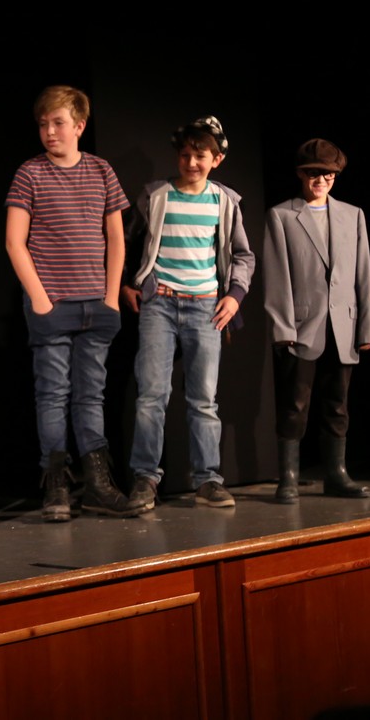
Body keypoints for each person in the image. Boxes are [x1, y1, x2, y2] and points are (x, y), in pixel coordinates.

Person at [4, 85, 138, 522]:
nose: (49, 131)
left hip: (96, 304)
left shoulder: (101, 170)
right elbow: (14, 242)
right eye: (43, 124)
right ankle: (57, 485)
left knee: (91, 396)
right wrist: (41, 300)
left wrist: (111, 296)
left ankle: (97, 484)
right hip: (53, 306)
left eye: (58, 123)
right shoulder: (30, 173)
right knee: (52, 395)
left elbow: (115, 238)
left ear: (79, 126)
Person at [121, 116, 255, 511]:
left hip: (205, 308)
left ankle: (207, 479)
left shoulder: (224, 201)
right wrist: (127, 283)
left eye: (200, 156)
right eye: (185, 155)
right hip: (159, 304)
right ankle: (146, 478)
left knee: (203, 399)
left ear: (216, 159)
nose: (192, 163)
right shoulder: (156, 195)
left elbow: (243, 255)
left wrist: (235, 295)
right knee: (151, 396)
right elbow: (126, 241)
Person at [262, 138, 370, 503]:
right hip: (301, 326)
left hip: (343, 325)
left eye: (328, 174)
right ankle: (289, 477)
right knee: (295, 403)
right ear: (301, 174)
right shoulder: (282, 215)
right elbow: (277, 276)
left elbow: (363, 275)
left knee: (337, 404)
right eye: (314, 173)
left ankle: (336, 474)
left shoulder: (352, 215)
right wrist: (283, 328)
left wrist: (367, 328)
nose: (321, 180)